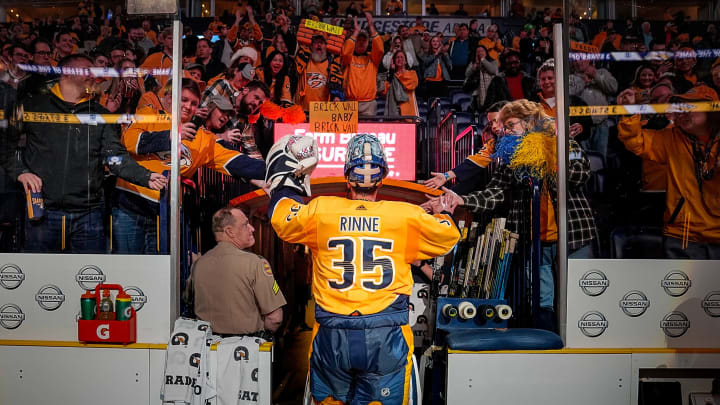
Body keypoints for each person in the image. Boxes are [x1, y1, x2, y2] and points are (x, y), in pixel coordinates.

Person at [266, 133, 460, 404]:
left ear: (347, 175)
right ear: (382, 178)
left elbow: (280, 216)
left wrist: (286, 185)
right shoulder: (405, 215)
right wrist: (443, 213)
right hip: (385, 333)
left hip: (332, 333)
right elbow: (448, 237)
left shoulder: (322, 210)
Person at [435, 100, 596, 331]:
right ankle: (548, 350)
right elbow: (496, 191)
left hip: (573, 238)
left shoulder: (563, 144)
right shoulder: (511, 155)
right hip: (535, 242)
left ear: (530, 123)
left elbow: (580, 174)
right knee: (542, 303)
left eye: (511, 125)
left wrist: (543, 156)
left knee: (581, 298)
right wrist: (462, 200)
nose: (506, 131)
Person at [16, 54, 167, 253]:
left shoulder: (99, 113)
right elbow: (7, 146)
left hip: (88, 214)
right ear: (67, 74)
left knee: (89, 280)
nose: (92, 76)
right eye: (87, 70)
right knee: (41, 278)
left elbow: (115, 157)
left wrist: (145, 176)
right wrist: (21, 170)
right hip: (44, 211)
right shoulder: (34, 106)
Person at [113, 79, 265, 254]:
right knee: (128, 269)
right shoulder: (149, 114)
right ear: (169, 97)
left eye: (193, 103)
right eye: (183, 100)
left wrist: (272, 171)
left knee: (157, 274)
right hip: (131, 205)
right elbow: (129, 142)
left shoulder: (202, 138)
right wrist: (172, 136)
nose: (188, 106)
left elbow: (233, 160)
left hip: (164, 214)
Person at [617, 85, 720, 259]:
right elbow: (636, 141)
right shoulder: (671, 138)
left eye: (689, 107)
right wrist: (629, 111)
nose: (682, 113)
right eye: (679, 108)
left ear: (711, 110)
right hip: (682, 235)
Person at [193, 206, 286, 335]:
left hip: (205, 347)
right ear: (230, 232)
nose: (252, 229)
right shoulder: (255, 264)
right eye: (245, 224)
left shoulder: (198, 264)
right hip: (245, 350)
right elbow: (275, 318)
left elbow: (188, 299)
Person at [425, 101, 508, 194]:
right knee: (475, 174)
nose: (494, 126)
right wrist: (446, 176)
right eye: (490, 123)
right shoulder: (493, 143)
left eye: (497, 121)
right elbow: (475, 162)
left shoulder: (525, 140)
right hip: (502, 192)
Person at [341, 12, 383, 116]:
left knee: (367, 133)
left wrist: (371, 26)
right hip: (349, 102)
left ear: (368, 43)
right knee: (348, 133)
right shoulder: (349, 58)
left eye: (364, 40)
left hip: (369, 104)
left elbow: (380, 49)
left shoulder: (373, 58)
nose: (360, 42)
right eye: (358, 40)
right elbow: (345, 51)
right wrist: (355, 32)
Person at [295, 33, 344, 111]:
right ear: (311, 46)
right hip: (302, 110)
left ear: (326, 46)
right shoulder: (303, 61)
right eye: (316, 42)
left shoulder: (332, 64)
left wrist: (337, 97)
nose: (319, 45)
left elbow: (337, 87)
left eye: (322, 43)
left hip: (323, 112)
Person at [382, 50, 418, 117]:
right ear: (394, 61)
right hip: (394, 109)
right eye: (397, 57)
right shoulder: (391, 75)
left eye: (402, 57)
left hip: (409, 109)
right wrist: (392, 72)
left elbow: (411, 85)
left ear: (406, 61)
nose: (399, 59)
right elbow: (384, 91)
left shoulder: (412, 74)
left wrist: (399, 75)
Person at [463, 45, 498, 112]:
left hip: (491, 92)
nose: (480, 53)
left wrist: (483, 60)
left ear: (486, 52)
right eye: (478, 51)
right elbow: (467, 74)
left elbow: (493, 70)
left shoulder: (493, 62)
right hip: (477, 94)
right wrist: (475, 64)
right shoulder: (473, 63)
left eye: (482, 51)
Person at [422, 35, 451, 100]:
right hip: (430, 82)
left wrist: (445, 53)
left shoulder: (443, 54)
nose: (435, 43)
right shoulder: (426, 53)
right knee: (430, 102)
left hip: (441, 82)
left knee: (441, 103)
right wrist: (436, 53)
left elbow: (450, 65)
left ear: (440, 43)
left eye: (437, 41)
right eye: (433, 41)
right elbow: (425, 63)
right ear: (431, 43)